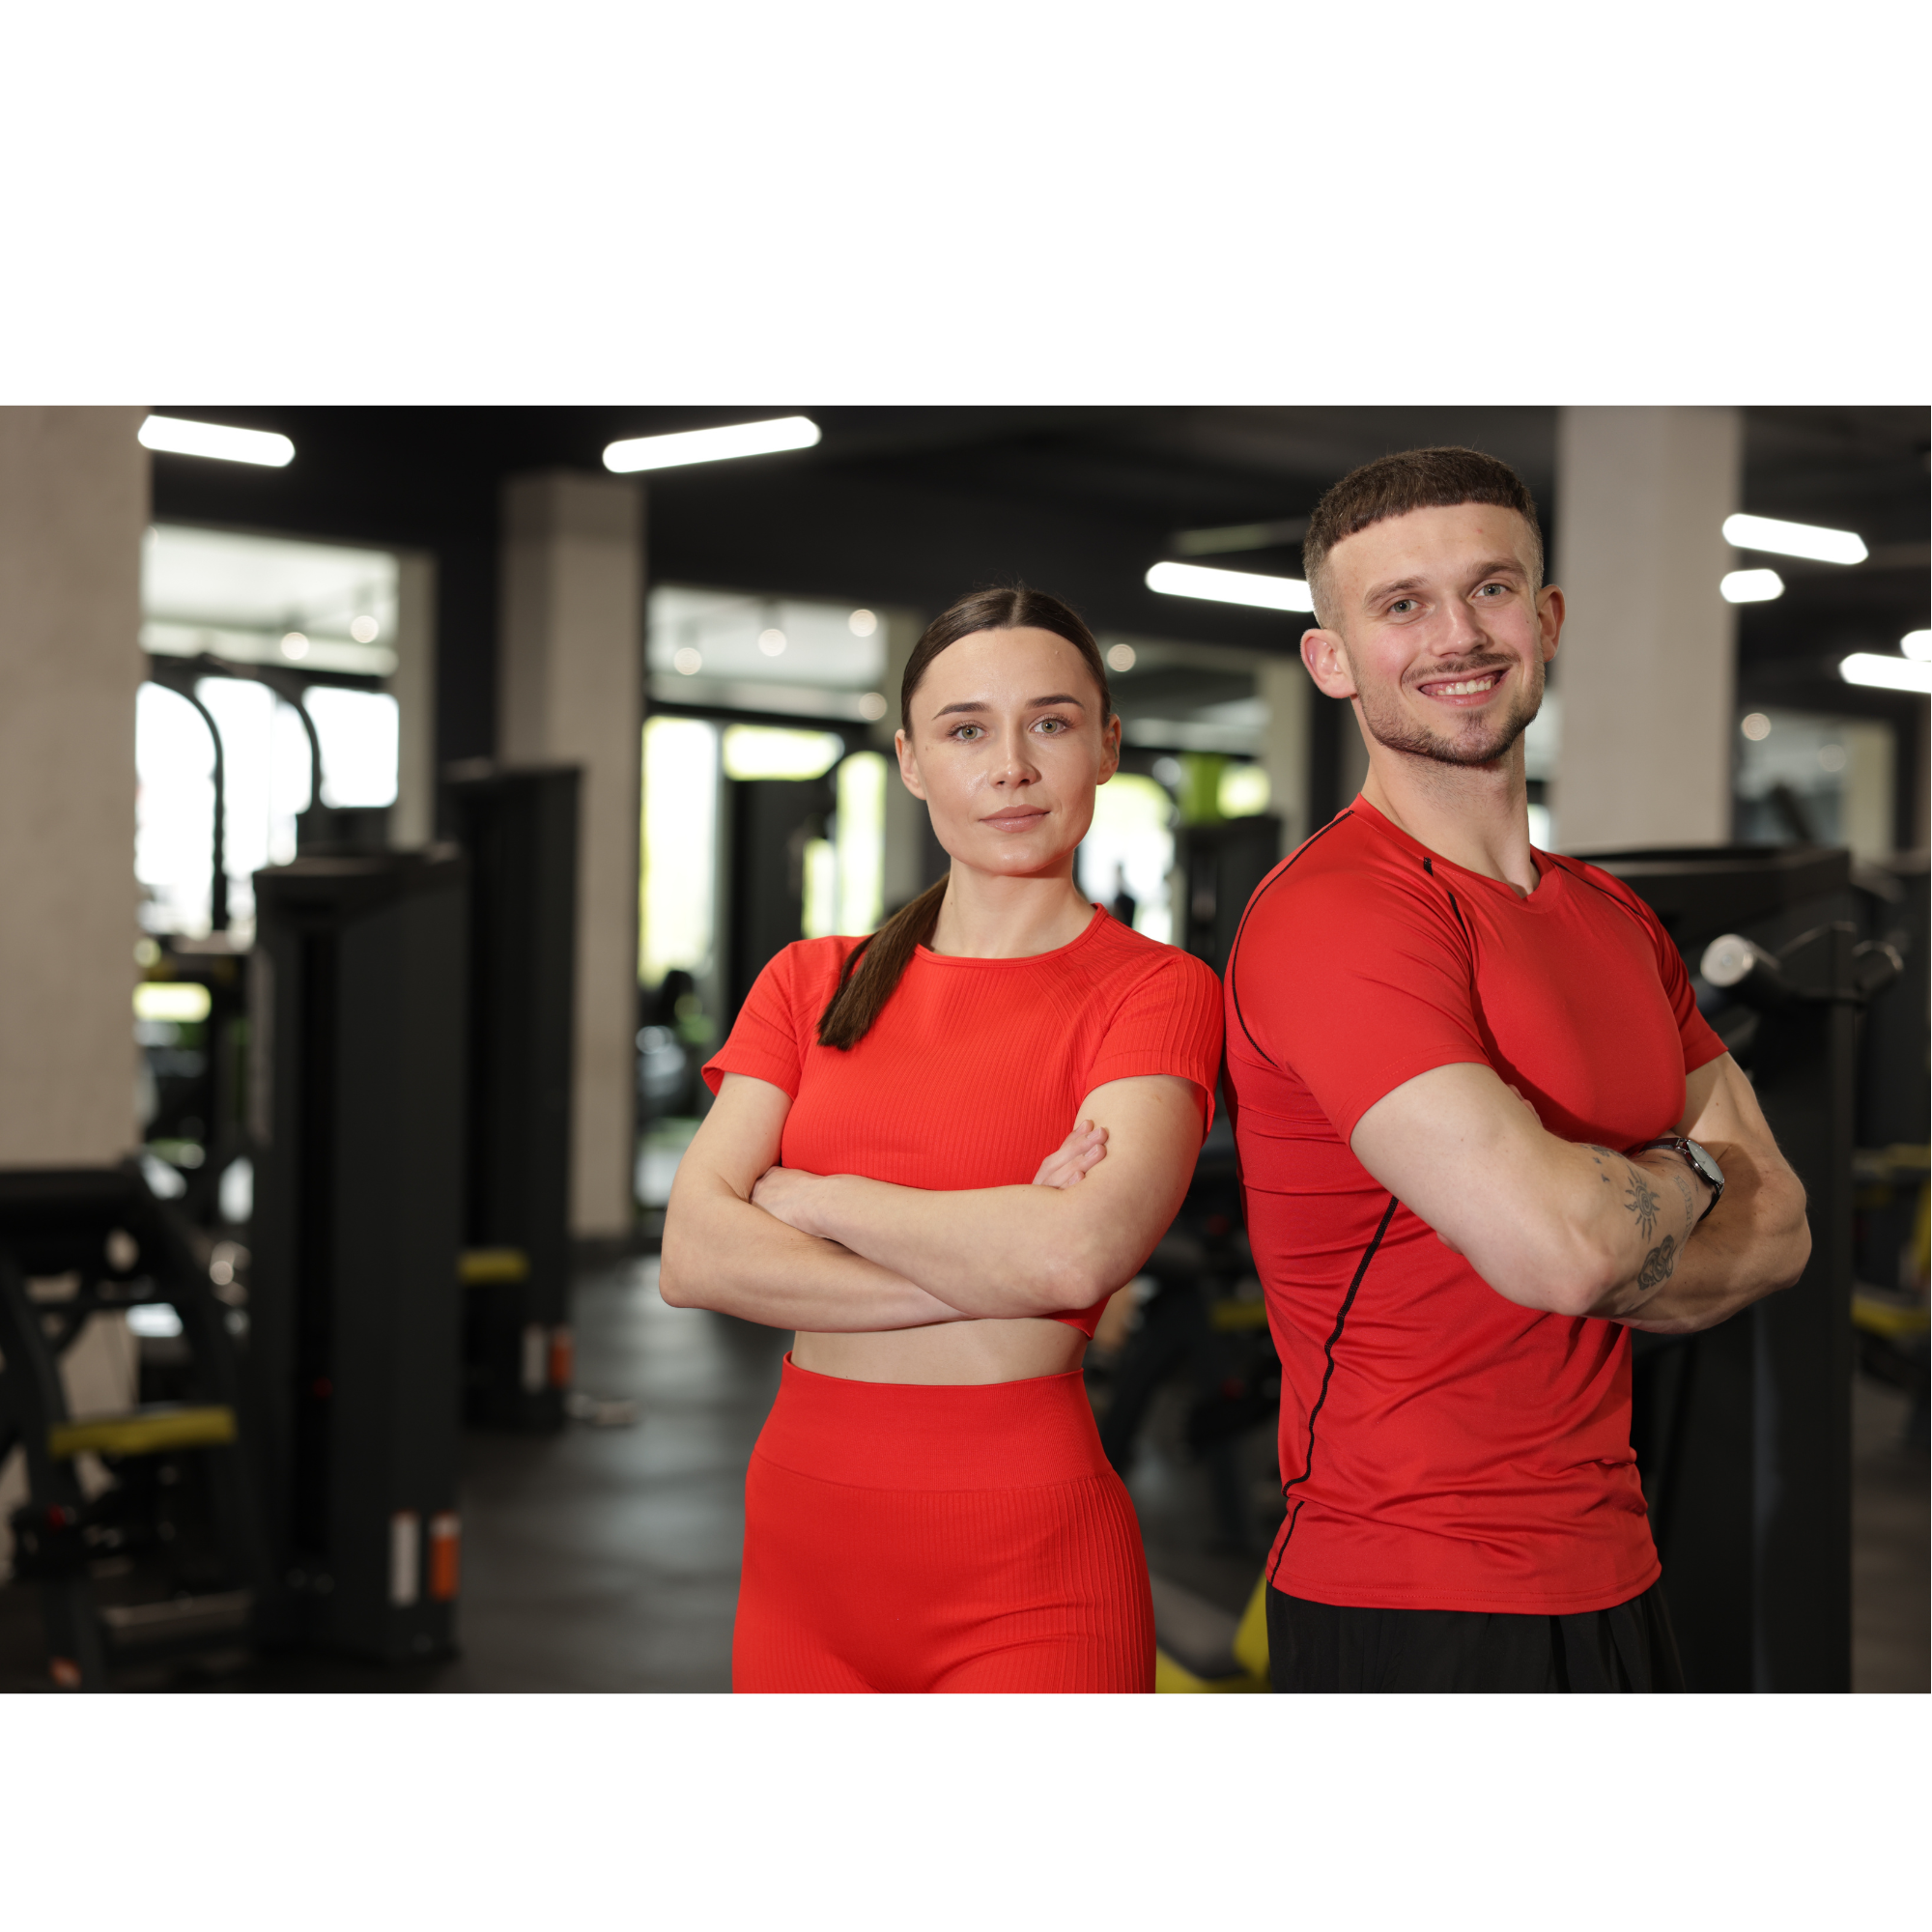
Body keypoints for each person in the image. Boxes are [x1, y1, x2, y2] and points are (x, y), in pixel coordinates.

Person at [1224, 447, 1811, 1692]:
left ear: (1544, 620)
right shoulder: (1336, 914)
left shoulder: (1612, 917)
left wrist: (1610, 1211)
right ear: (1330, 660)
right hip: (1409, 1587)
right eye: (1400, 605)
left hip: (1612, 1563)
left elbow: (1781, 1232)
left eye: (1490, 590)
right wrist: (1686, 1172)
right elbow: (1566, 1253)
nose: (1456, 636)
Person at [661, 585, 1224, 1692]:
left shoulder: (1153, 991)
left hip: (1027, 1570)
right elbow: (694, 1254)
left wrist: (811, 1194)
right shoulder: (807, 981)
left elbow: (1069, 1257)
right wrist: (996, 1248)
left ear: (1105, 746)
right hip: (799, 1560)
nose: (1009, 764)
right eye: (966, 729)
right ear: (913, 760)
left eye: (1050, 723)